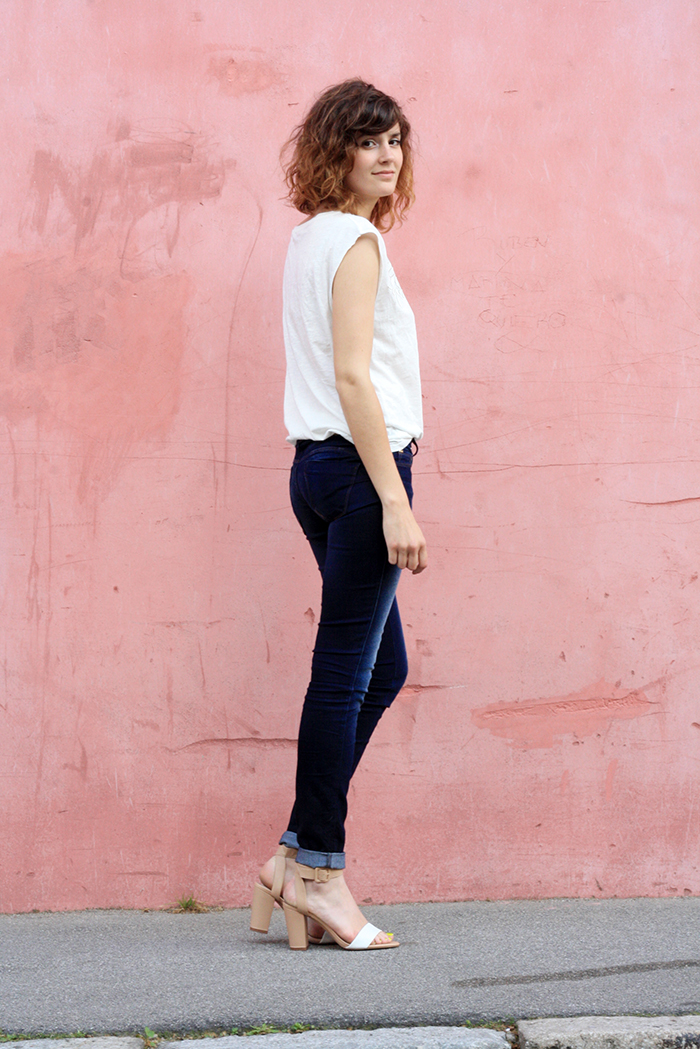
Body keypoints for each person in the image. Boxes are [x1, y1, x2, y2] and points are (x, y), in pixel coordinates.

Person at [250, 79, 426, 951]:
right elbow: (354, 376)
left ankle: (290, 855)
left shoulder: (308, 238)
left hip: (316, 470)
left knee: (380, 666)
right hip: (361, 471)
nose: (386, 155)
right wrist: (394, 498)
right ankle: (321, 871)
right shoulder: (355, 242)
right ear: (336, 151)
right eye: (368, 141)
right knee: (343, 677)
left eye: (394, 140)